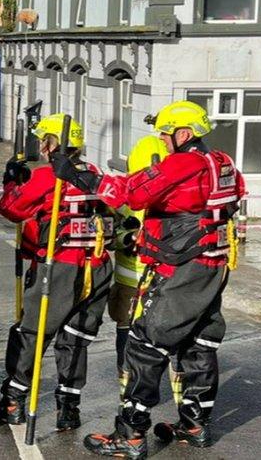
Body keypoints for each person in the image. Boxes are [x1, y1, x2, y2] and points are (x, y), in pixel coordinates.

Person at [52, 101, 245, 459]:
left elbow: (132, 193)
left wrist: (77, 175)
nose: (162, 139)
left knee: (146, 342)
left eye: (165, 132)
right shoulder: (222, 162)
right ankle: (194, 422)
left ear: (183, 133)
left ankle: (131, 434)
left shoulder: (183, 163)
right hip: (212, 265)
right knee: (198, 341)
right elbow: (225, 198)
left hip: (182, 267)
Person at [0, 113, 113, 432]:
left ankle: (13, 401)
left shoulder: (48, 177)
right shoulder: (93, 173)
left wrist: (11, 181)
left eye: (44, 140)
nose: (40, 145)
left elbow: (10, 209)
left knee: (31, 333)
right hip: (97, 266)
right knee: (75, 338)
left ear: (51, 144)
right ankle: (68, 410)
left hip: (59, 266)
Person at [108, 136, 169, 396]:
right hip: (144, 281)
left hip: (140, 282)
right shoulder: (174, 195)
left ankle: (130, 391)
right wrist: (129, 238)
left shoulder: (127, 196)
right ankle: (131, 386)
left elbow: (110, 235)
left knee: (136, 336)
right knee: (142, 334)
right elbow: (111, 235)